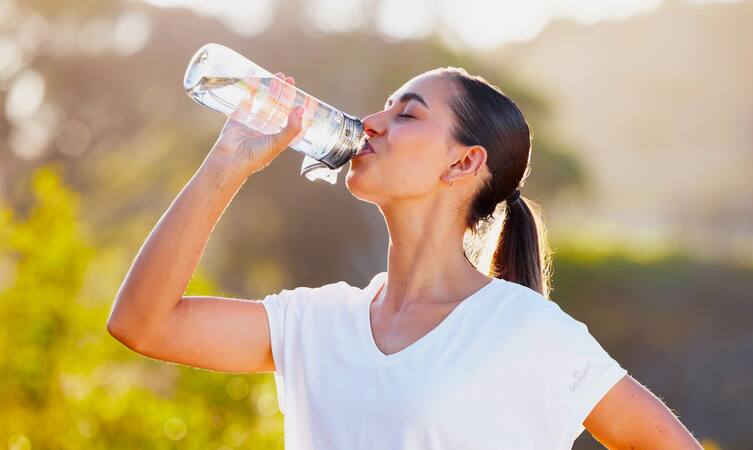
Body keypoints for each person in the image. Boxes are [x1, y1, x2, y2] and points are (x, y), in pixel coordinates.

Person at [107, 68, 702, 449]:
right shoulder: (317, 322)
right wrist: (227, 162)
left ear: (464, 163)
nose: (371, 123)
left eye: (407, 114)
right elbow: (143, 324)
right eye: (384, 108)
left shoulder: (524, 329)